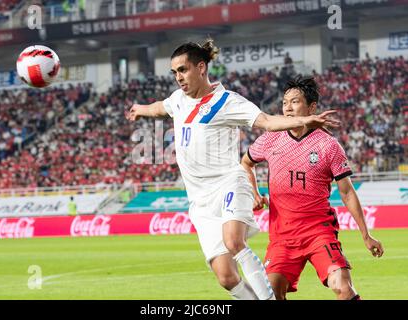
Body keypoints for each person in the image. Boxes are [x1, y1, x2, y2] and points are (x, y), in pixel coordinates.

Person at [126, 39, 339, 300]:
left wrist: (303, 119)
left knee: (234, 242)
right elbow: (161, 107)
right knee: (227, 278)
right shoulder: (178, 100)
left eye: (183, 70)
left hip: (228, 182)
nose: (178, 77)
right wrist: (141, 110)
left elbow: (267, 121)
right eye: (174, 73)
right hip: (200, 201)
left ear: (201, 67)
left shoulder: (227, 101)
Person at [241, 75, 384, 300]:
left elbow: (347, 192)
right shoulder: (271, 138)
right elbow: (245, 163)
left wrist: (366, 235)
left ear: (312, 107)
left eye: (295, 102)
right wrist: (254, 193)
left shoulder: (328, 145)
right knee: (269, 294)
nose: (288, 108)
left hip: (319, 232)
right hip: (282, 236)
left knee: (343, 288)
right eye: (285, 102)